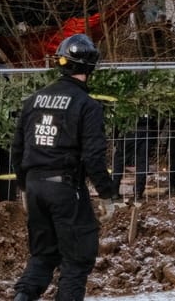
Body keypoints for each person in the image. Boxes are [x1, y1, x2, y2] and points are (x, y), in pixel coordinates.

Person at [13, 34, 119, 301]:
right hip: (65, 189)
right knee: (77, 258)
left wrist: (24, 186)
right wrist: (107, 194)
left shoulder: (33, 101)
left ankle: (22, 296)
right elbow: (93, 157)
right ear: (90, 66)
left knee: (43, 254)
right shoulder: (87, 105)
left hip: (35, 187)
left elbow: (17, 148)